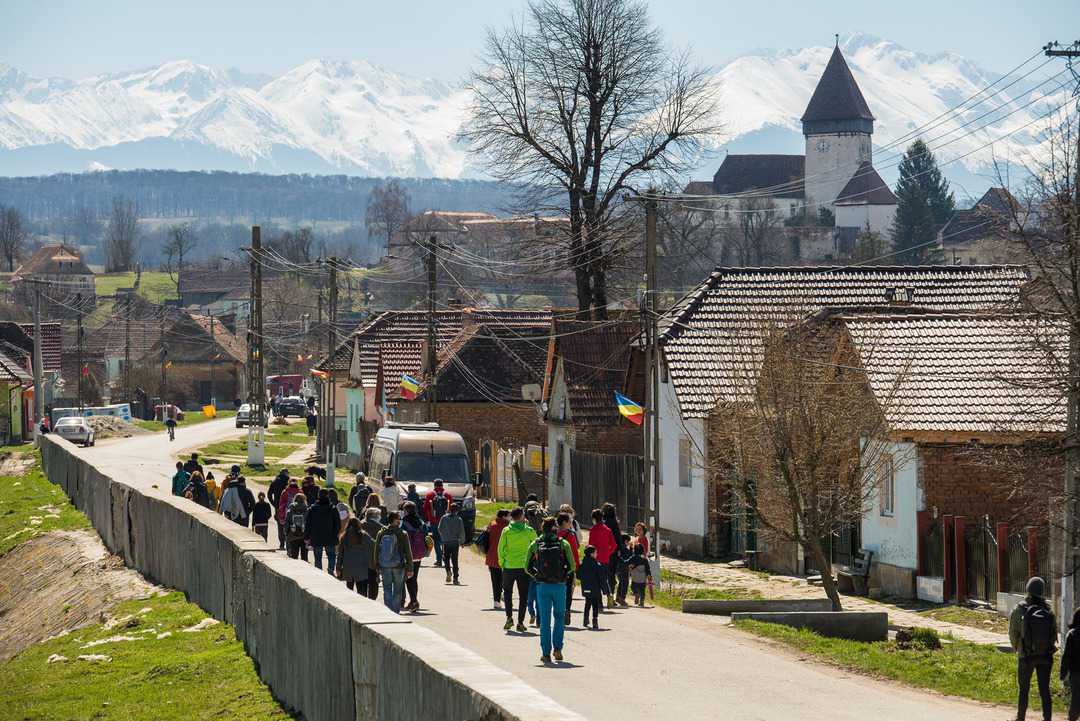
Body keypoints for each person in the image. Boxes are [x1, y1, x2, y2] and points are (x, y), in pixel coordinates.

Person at [526, 517, 575, 664]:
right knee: (559, 618)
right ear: (555, 529)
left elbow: (526, 567)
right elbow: (572, 566)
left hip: (542, 586)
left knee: (545, 621)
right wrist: (564, 576)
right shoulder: (563, 543)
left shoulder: (536, 544)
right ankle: (558, 648)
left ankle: (545, 653)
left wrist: (537, 576)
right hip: (560, 586)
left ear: (542, 528)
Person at [1010, 576, 1057, 721]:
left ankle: (1020, 717)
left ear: (1028, 590)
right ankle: (1047, 718)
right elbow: (1053, 634)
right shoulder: (1048, 610)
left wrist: (1017, 647)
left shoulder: (1020, 609)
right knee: (1044, 689)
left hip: (1026, 656)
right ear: (1042, 591)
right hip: (1045, 656)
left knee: (1024, 689)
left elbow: (1013, 632)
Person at [498, 507, 536, 633]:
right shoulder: (529, 531)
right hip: (524, 567)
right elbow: (536, 546)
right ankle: (520, 622)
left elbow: (501, 548)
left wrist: (502, 562)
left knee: (508, 593)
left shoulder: (506, 531)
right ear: (520, 517)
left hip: (509, 566)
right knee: (523, 595)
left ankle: (509, 618)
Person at [373, 512, 413, 613]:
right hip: (398, 566)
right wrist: (410, 568)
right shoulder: (402, 533)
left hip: (384, 565)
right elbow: (408, 552)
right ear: (395, 520)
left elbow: (376, 550)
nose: (400, 521)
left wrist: (376, 565)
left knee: (386, 588)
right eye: (399, 519)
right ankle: (395, 611)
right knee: (398, 589)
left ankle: (388, 611)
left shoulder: (381, 533)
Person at [305, 488, 341, 573]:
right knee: (331, 556)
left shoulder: (313, 509)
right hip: (330, 537)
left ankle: (319, 572)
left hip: (316, 537)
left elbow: (308, 524)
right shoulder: (333, 508)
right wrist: (335, 534)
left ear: (318, 496)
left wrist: (307, 536)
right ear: (328, 496)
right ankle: (330, 571)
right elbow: (338, 524)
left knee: (318, 557)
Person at [337, 517, 375, 594]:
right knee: (362, 589)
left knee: (349, 588)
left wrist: (338, 566)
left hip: (348, 564)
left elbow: (340, 553)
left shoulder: (344, 536)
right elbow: (373, 545)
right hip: (361, 565)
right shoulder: (364, 535)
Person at [401, 502, 428, 612]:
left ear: (406, 510)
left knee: (408, 578)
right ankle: (413, 601)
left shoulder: (404, 522)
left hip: (408, 554)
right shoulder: (420, 521)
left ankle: (414, 601)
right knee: (414, 578)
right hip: (419, 553)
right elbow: (426, 534)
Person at [587, 508, 617, 609]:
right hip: (605, 559)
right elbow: (614, 545)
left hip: (595, 559)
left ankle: (599, 603)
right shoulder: (607, 530)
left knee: (596, 581)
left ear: (594, 519)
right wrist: (608, 553)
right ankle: (609, 595)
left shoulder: (593, 530)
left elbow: (590, 545)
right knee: (604, 579)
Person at [423, 479, 453, 568]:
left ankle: (439, 559)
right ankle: (446, 558)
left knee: (436, 540)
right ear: (442, 485)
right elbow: (451, 508)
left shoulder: (430, 495)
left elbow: (425, 508)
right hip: (446, 521)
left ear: (434, 485)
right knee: (445, 539)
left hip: (434, 521)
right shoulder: (448, 495)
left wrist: (427, 518)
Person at [557, 512, 580, 625]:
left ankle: (558, 611)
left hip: (556, 567)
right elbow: (574, 551)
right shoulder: (570, 535)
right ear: (565, 522)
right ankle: (567, 610)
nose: (571, 523)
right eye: (570, 521)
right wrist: (576, 565)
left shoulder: (554, 533)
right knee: (568, 590)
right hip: (568, 566)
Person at [484, 509, 510, 610]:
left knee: (495, 580)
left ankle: (496, 601)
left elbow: (486, 539)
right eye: (508, 515)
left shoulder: (491, 524)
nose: (510, 517)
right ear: (504, 516)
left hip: (492, 555)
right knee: (507, 580)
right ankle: (506, 598)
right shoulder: (508, 526)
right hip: (505, 557)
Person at [601, 503, 624, 608]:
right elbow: (618, 537)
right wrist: (622, 549)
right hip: (612, 552)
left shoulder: (601, 522)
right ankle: (610, 597)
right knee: (611, 576)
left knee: (601, 575)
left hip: (601, 552)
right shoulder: (613, 522)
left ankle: (599, 598)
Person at [438, 503, 466, 584]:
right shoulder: (459, 519)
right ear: (457, 511)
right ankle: (455, 579)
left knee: (446, 558)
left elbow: (439, 528)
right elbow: (462, 531)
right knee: (455, 560)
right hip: (455, 542)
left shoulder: (444, 517)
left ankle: (448, 571)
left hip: (446, 541)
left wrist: (443, 536)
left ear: (449, 509)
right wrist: (462, 541)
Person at [577, 545, 604, 630]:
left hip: (586, 587)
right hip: (595, 588)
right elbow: (601, 578)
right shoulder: (596, 564)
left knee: (587, 603)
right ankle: (595, 621)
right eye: (596, 552)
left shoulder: (582, 564)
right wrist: (604, 590)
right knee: (595, 604)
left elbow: (578, 576)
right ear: (592, 554)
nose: (597, 554)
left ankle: (585, 619)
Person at [361, 507, 384, 600]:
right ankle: (372, 599)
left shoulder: (359, 525)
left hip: (361, 558)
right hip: (375, 558)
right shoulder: (380, 528)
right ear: (375, 516)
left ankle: (363, 598)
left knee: (362, 582)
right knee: (373, 582)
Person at [1062, 607, 1080, 721]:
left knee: (1075, 699)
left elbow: (1066, 656)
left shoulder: (1072, 634)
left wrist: (1063, 673)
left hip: (1076, 673)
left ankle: (1072, 718)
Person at [267, 470, 290, 551]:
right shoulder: (288, 482)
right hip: (289, 507)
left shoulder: (275, 482)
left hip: (278, 507)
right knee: (289, 524)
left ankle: (281, 543)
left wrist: (274, 504)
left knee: (280, 526)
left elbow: (269, 494)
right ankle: (288, 543)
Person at [284, 493, 309, 561]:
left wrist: (286, 533)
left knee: (294, 557)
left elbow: (286, 523)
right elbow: (309, 523)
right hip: (304, 536)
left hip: (293, 535)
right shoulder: (307, 510)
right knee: (304, 557)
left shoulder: (290, 510)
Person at [613, 533, 633, 607]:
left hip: (617, 568)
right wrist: (631, 548)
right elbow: (630, 556)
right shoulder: (624, 549)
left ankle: (618, 597)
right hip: (624, 568)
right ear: (625, 541)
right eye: (628, 542)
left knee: (621, 583)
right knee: (625, 583)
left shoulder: (618, 548)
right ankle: (622, 598)